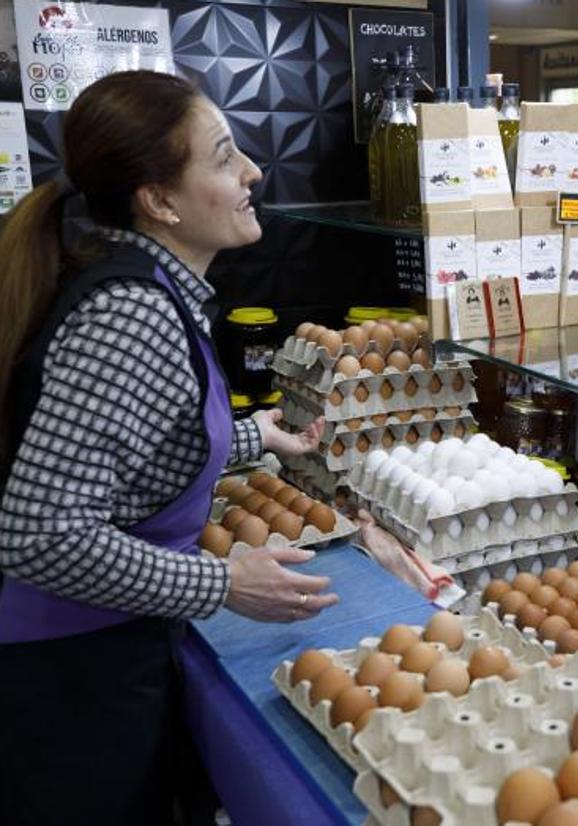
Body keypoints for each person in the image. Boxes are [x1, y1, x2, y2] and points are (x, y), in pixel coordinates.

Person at [0, 71, 338, 824]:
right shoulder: (134, 317)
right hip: (68, 674)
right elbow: (39, 535)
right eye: (223, 158)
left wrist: (257, 434)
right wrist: (222, 584)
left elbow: (137, 446)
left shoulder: (150, 289)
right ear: (159, 201)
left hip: (98, 651)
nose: (252, 171)